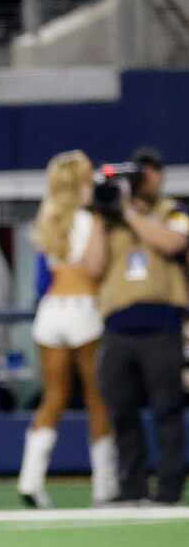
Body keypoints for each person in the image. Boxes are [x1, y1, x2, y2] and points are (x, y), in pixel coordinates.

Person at [86, 147, 189, 506]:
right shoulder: (110, 221)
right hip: (117, 329)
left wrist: (130, 212)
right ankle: (132, 489)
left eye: (151, 172)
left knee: (167, 409)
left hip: (162, 325)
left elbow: (174, 241)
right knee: (121, 410)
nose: (146, 179)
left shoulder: (171, 211)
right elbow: (92, 268)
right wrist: (102, 216)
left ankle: (170, 489)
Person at [17, 151, 115, 509]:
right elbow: (95, 267)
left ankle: (30, 479)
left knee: (53, 398)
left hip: (50, 313)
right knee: (97, 398)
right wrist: (104, 225)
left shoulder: (48, 218)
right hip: (83, 311)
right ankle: (104, 487)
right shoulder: (90, 220)